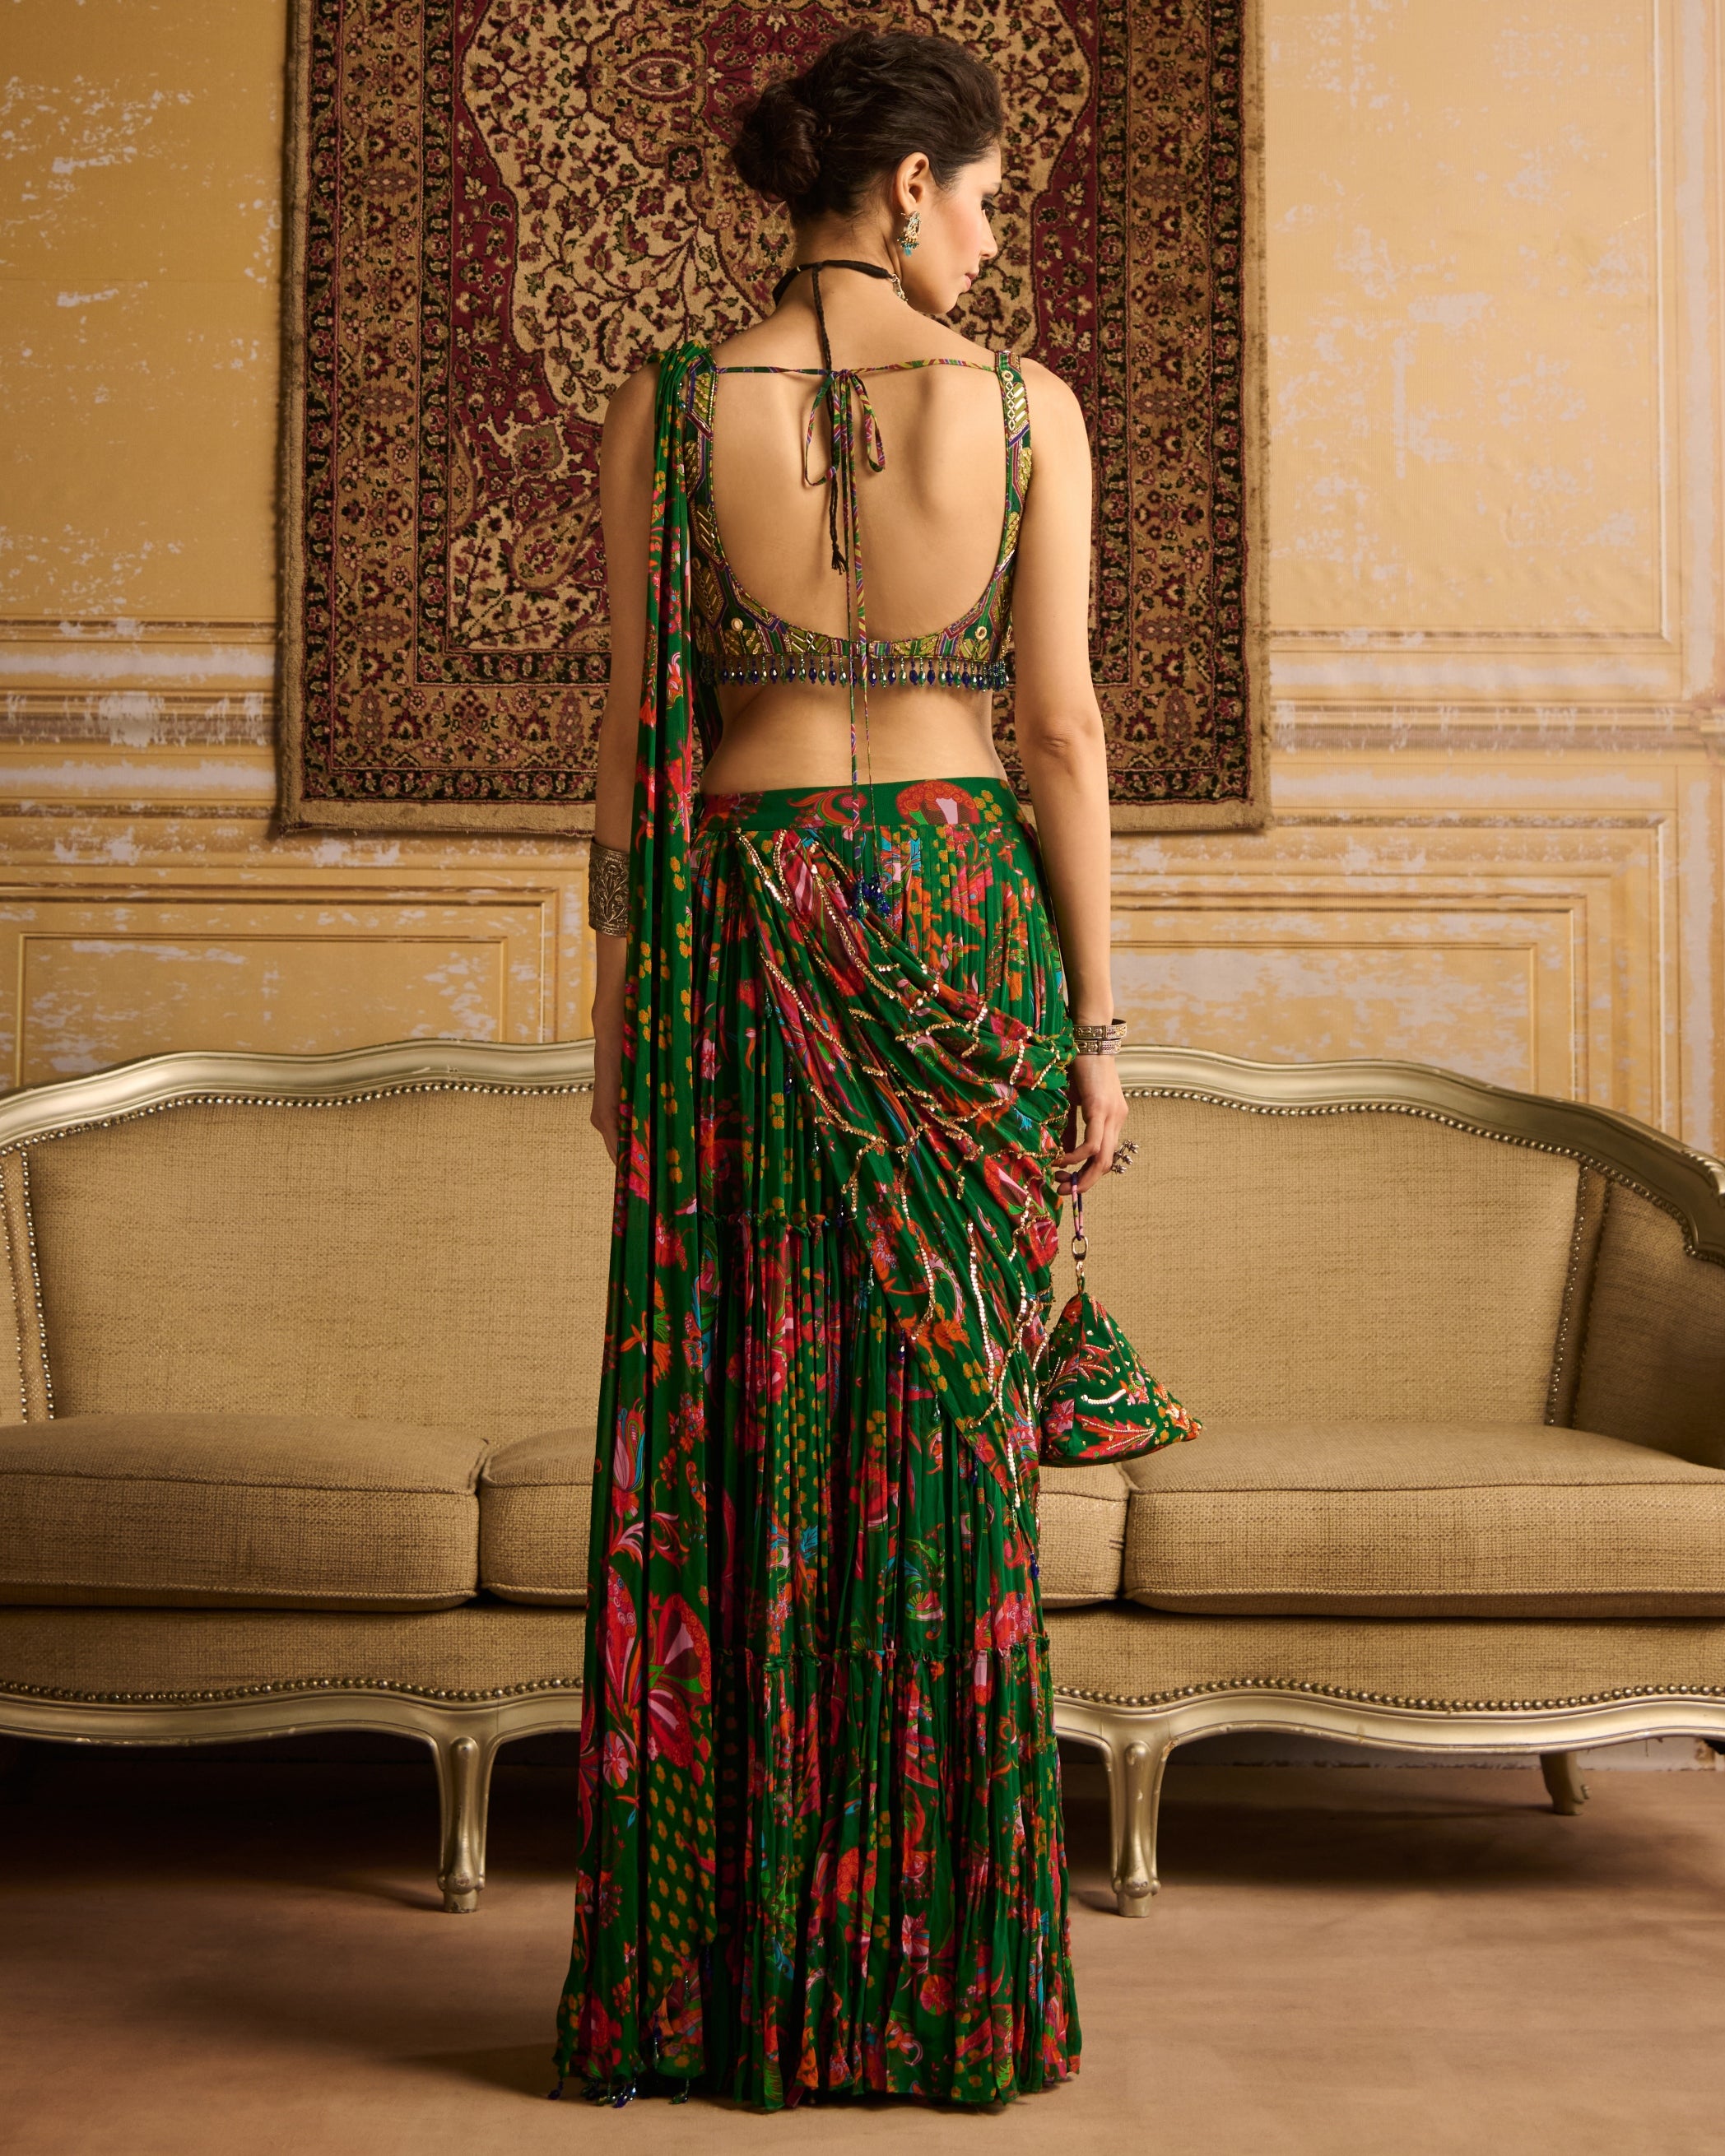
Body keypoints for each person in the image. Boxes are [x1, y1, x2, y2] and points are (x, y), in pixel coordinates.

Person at [557, 25, 1128, 2112]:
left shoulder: (669, 401)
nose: (987, 233)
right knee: (948, 1460)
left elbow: (633, 731)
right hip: (960, 918)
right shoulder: (1027, 408)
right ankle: (931, 1985)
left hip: (739, 908)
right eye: (981, 195)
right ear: (903, 187)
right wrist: (1094, 1030)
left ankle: (726, 1987)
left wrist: (615, 1006)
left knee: (739, 1427)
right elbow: (1058, 732)